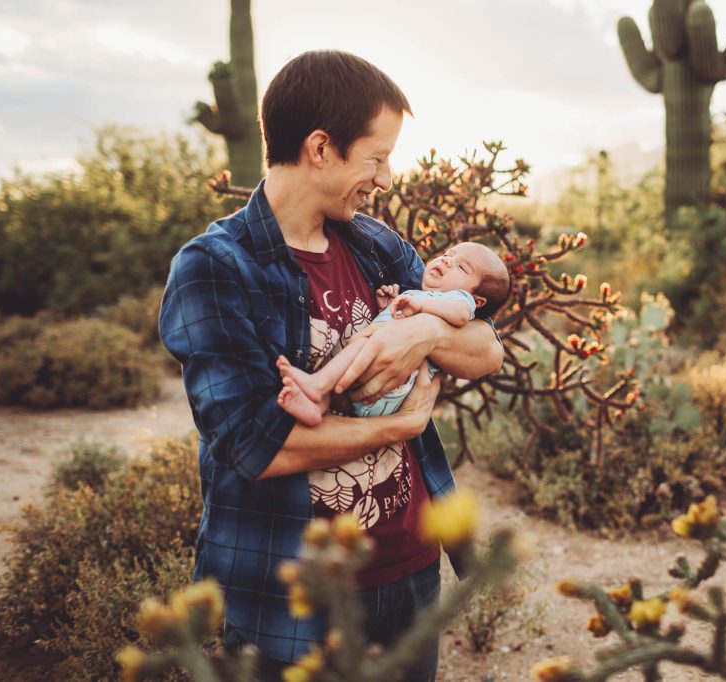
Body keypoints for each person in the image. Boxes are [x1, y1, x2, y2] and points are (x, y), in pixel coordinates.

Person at [158, 50, 503, 681]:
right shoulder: (215, 267)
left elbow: (486, 349)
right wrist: (398, 428)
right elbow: (256, 447)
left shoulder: (375, 245)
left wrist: (423, 330)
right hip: (291, 591)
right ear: (321, 148)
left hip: (410, 568)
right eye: (376, 158)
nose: (388, 177)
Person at [275, 241, 510, 425]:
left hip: (394, 384)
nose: (447, 261)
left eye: (461, 266)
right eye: (449, 254)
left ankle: (316, 384)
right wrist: (388, 308)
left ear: (478, 301)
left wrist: (419, 306)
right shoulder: (427, 295)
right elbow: (400, 322)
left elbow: (459, 315)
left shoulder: (460, 299)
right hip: (380, 393)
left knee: (363, 344)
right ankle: (319, 404)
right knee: (360, 352)